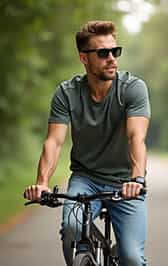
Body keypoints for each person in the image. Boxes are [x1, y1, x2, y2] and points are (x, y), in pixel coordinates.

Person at [24, 20, 151, 266]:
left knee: (133, 258)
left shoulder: (133, 89)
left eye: (115, 51)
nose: (112, 58)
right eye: (103, 53)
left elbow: (137, 137)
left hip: (126, 182)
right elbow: (54, 141)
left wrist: (136, 179)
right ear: (84, 58)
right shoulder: (67, 93)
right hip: (86, 179)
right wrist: (42, 184)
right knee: (72, 229)